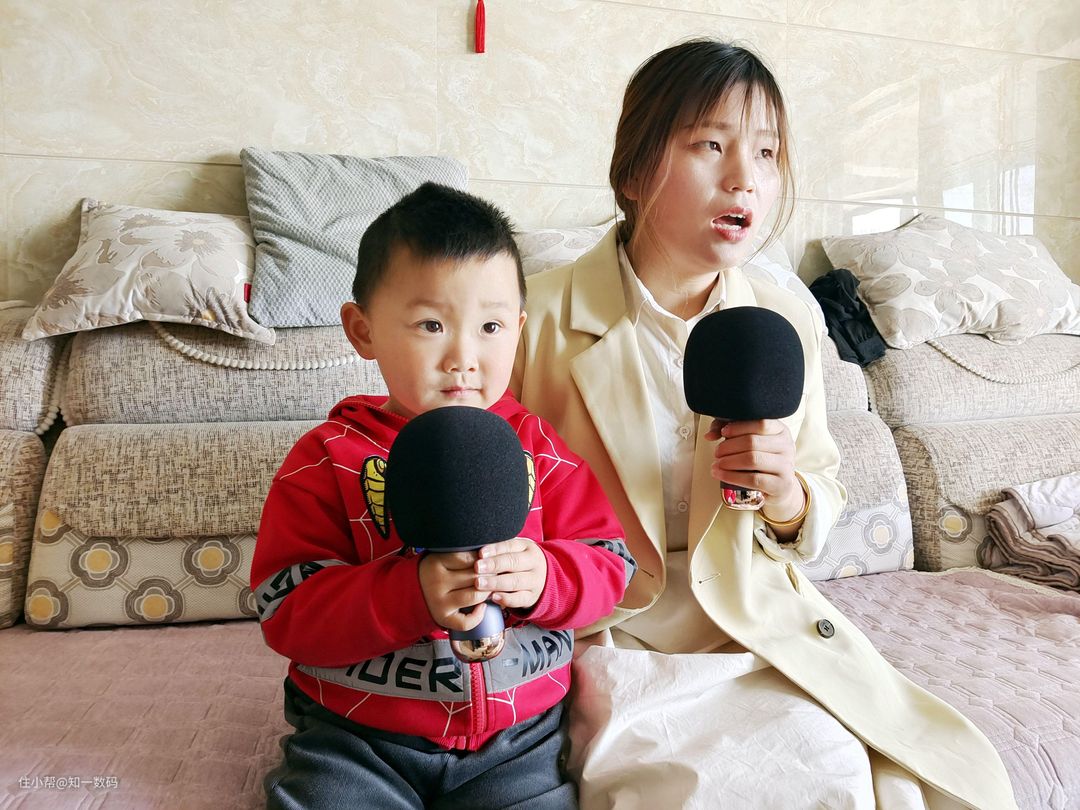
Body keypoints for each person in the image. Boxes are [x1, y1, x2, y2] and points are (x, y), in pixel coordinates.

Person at [513, 40, 1016, 810]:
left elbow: (818, 494)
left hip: (751, 625)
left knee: (852, 782)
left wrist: (786, 496)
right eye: (710, 145)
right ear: (634, 171)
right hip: (609, 634)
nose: (745, 177)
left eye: (768, 152)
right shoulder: (534, 316)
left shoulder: (781, 318)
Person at [251, 182, 636, 810]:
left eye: (490, 327)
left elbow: (611, 566)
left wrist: (547, 576)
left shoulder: (540, 450)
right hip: (357, 735)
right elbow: (286, 609)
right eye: (431, 324)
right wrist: (408, 593)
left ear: (518, 331)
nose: (463, 357)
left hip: (521, 739)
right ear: (362, 330)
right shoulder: (327, 458)